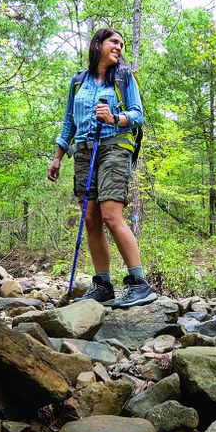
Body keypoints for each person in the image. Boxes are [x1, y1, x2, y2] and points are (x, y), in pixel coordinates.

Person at [48, 27, 157, 308]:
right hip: (84, 151)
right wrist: (58, 156)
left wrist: (113, 117)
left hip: (115, 147)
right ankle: (103, 285)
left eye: (122, 43)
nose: (119, 47)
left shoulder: (124, 76)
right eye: (114, 42)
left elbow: (137, 115)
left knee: (110, 215)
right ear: (98, 44)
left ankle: (138, 282)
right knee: (91, 218)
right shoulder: (78, 81)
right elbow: (68, 122)